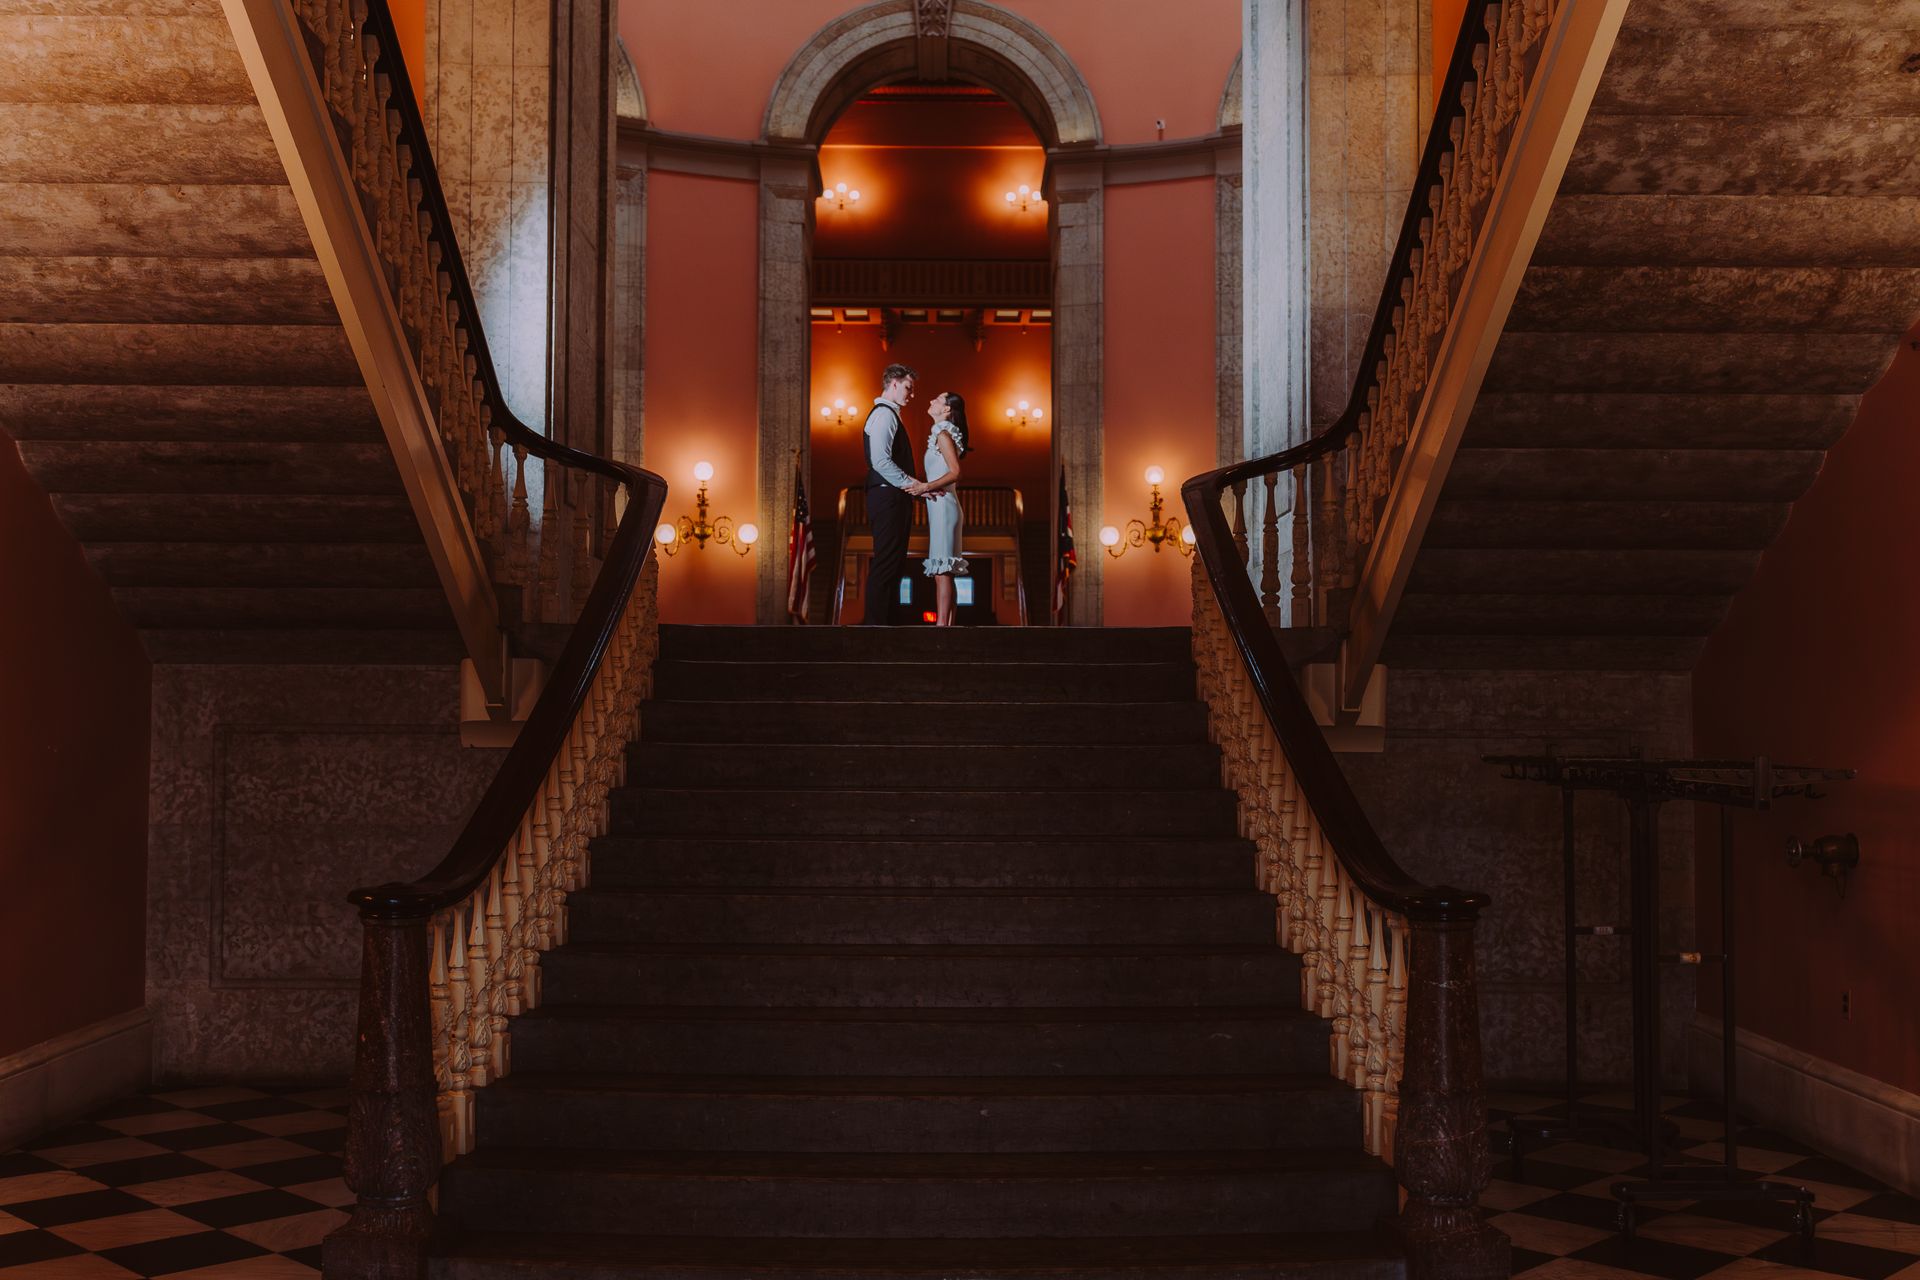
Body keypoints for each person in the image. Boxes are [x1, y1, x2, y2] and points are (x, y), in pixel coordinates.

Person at [861, 363, 925, 625]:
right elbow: (881, 462)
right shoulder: (884, 415)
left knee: (894, 565)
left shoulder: (890, 415)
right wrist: (914, 486)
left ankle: (887, 625)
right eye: (909, 388)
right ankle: (876, 630)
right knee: (887, 564)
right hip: (888, 497)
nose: (912, 394)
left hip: (893, 497)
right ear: (894, 383)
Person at [919, 392, 969, 626]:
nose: (931, 401)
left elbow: (955, 472)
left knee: (942, 571)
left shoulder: (943, 433)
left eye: (937, 400)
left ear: (947, 409)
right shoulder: (942, 433)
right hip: (941, 507)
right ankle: (947, 626)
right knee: (944, 569)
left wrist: (925, 486)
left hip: (944, 507)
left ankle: (941, 629)